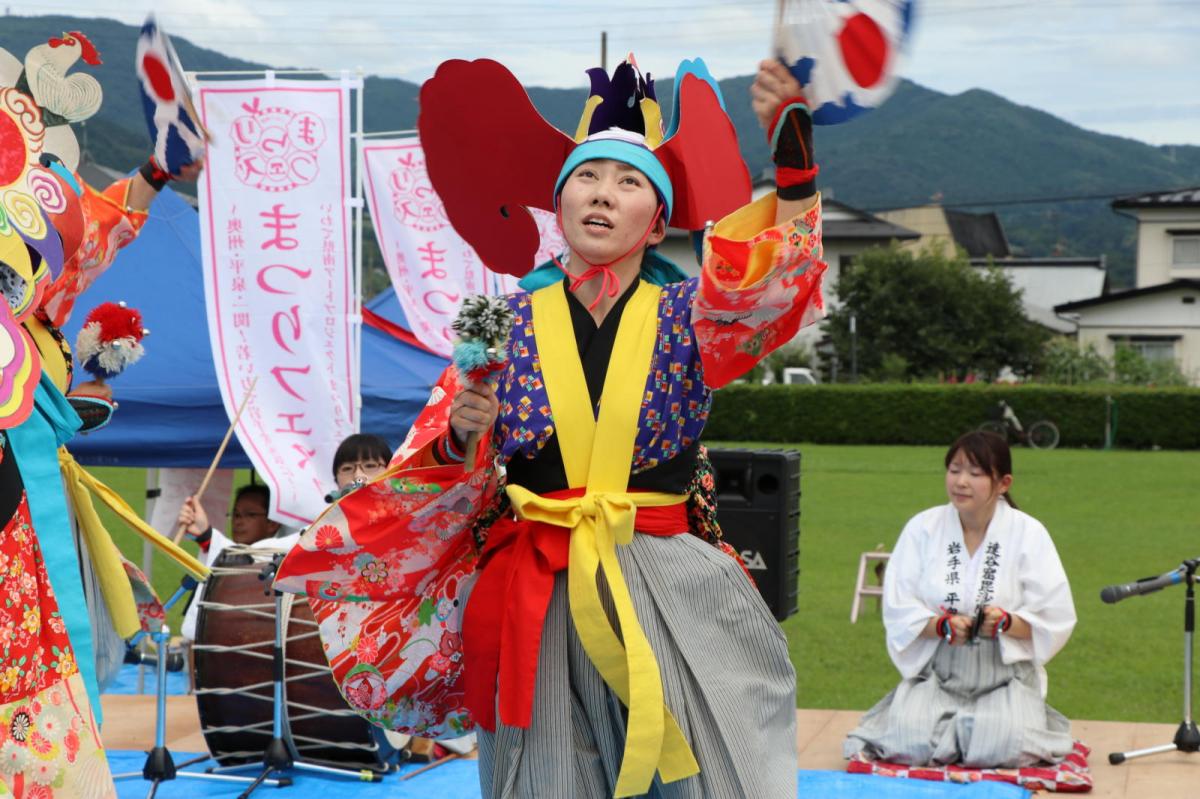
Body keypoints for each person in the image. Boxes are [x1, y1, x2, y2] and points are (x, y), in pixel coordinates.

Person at [277, 53, 826, 799]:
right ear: (559, 200)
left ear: (657, 216)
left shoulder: (693, 315)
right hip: (536, 579)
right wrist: (465, 436)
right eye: (587, 178)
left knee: (718, 768)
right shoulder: (497, 320)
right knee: (547, 778)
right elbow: (430, 460)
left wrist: (792, 159)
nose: (604, 196)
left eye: (629, 183)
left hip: (666, 570)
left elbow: (771, 287)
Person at [844, 431, 1078, 769]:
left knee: (1008, 746)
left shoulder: (1029, 533)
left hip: (1004, 674)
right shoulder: (922, 528)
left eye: (976, 473)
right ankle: (948, 728)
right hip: (938, 671)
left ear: (1003, 483)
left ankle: (977, 731)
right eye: (954, 470)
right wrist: (941, 625)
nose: (961, 482)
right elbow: (899, 608)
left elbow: (1054, 616)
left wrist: (1008, 622)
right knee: (906, 743)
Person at [177, 484, 297, 639]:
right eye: (236, 514)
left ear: (272, 523)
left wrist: (206, 536)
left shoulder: (287, 560)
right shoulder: (222, 558)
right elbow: (195, 642)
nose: (238, 522)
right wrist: (204, 536)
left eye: (249, 515)